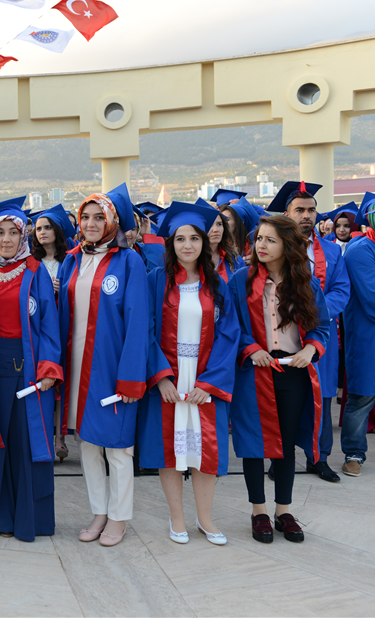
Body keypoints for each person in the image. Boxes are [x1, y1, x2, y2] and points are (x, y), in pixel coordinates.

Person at [138, 202, 239, 545]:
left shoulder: (218, 284)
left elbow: (229, 335)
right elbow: (145, 330)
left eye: (194, 238)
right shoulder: (156, 281)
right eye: (180, 239)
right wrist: (161, 376)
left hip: (204, 378)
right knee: (169, 450)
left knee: (204, 451)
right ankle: (177, 518)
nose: (187, 245)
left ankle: (205, 519)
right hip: (169, 378)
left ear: (204, 242)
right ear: (170, 243)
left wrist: (210, 383)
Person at [57, 186, 149, 547]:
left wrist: (131, 377)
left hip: (111, 368)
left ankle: (119, 516)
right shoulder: (72, 260)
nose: (91, 223)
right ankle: (99, 512)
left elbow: (138, 323)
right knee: (88, 444)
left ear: (112, 221)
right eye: (85, 217)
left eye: (99, 217)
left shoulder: (129, 262)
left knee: (118, 447)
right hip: (77, 366)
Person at [229, 215, 329, 543]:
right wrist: (250, 348)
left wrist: (311, 349)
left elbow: (322, 326)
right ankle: (258, 511)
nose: (261, 245)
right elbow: (229, 325)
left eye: (270, 240)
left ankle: (283, 511)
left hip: (293, 372)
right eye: (259, 238)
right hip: (255, 371)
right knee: (254, 443)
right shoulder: (240, 280)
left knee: (285, 445)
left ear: (287, 246)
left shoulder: (305, 283)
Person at [0, 200, 62, 541]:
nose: (7, 239)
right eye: (0, 233)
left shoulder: (36, 272)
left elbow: (49, 324)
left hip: (31, 370)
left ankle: (31, 520)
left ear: (24, 236)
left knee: (27, 442)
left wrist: (49, 368)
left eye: (13, 232)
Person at [269, 182, 350, 483]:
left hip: (318, 335)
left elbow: (341, 289)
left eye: (311, 210)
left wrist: (316, 311)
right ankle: (280, 459)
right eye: (300, 210)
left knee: (322, 397)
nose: (307, 215)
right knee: (283, 401)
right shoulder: (273, 248)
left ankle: (319, 458)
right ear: (287, 214)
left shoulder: (331, 250)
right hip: (284, 336)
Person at [339, 193, 375, 477]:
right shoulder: (360, 250)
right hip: (369, 333)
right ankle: (354, 452)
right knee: (362, 394)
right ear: (372, 220)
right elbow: (373, 297)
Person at [31, 204, 76, 463]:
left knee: (61, 381)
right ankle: (44, 436)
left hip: (65, 326)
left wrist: (64, 288)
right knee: (44, 379)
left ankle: (60, 438)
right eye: (38, 228)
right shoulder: (32, 262)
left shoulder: (70, 260)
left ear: (57, 231)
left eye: (47, 227)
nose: (42, 232)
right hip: (40, 329)